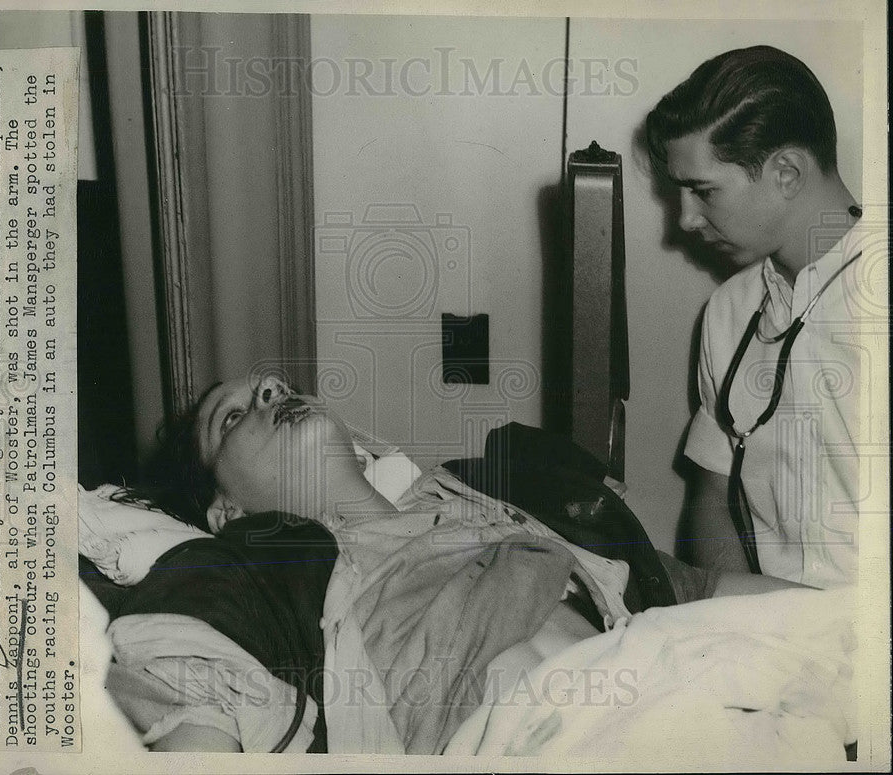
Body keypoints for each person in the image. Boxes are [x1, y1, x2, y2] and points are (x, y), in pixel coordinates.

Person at [95, 372, 804, 753]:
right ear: (225, 509)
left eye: (272, 386)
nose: (269, 394)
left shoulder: (490, 500)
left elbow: (698, 588)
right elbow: (194, 707)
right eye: (234, 415)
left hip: (700, 696)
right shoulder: (250, 566)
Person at [645, 45, 866, 587]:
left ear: (787, 172)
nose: (686, 221)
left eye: (702, 192)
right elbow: (711, 494)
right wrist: (741, 615)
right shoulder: (730, 310)